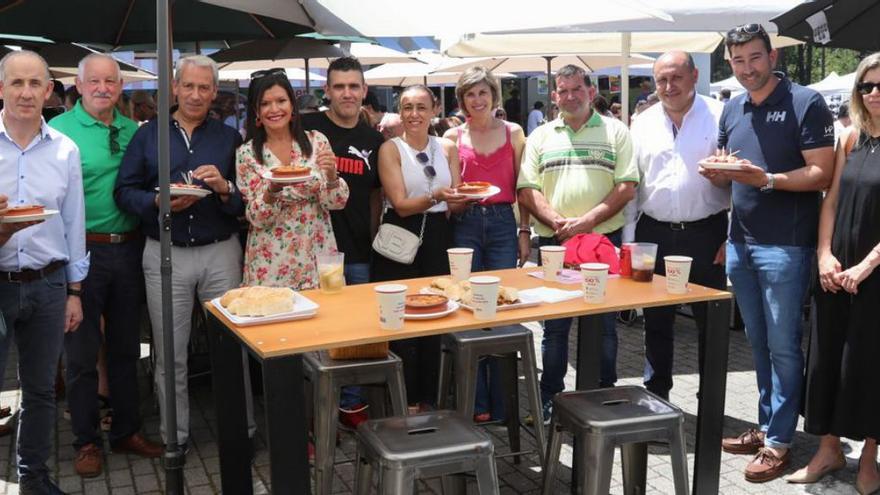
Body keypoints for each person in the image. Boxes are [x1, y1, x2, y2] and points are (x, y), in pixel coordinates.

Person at [706, 24, 835, 483]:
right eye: (738, 61)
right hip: (741, 242)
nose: (746, 69)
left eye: (754, 58)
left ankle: (780, 441)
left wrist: (766, 179)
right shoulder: (733, 106)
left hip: (787, 245)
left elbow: (821, 173)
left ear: (772, 56)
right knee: (757, 344)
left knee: (783, 347)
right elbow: (730, 174)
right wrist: (719, 172)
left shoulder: (805, 101)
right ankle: (765, 427)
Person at [115, 55, 255, 456]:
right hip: (166, 252)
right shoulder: (148, 135)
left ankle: (240, 432)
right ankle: (174, 438)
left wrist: (226, 188)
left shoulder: (229, 139)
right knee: (169, 352)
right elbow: (124, 192)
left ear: (215, 92)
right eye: (188, 86)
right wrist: (158, 200)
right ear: (174, 88)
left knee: (232, 348)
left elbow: (244, 201)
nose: (196, 95)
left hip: (221, 252)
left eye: (204, 88)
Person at [49, 53, 162, 478]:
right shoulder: (59, 132)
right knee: (79, 355)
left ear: (120, 87)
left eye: (110, 81)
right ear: (78, 86)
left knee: (126, 349)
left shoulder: (134, 130)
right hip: (80, 251)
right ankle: (86, 441)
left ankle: (127, 431)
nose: (102, 88)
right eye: (93, 81)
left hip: (129, 249)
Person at [517, 64, 638, 422]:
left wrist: (586, 221)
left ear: (590, 90)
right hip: (554, 239)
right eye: (562, 91)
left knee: (602, 324)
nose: (569, 96)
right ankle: (549, 398)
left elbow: (626, 187)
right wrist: (556, 221)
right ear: (554, 96)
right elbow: (527, 188)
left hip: (601, 238)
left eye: (576, 89)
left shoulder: (616, 131)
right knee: (555, 324)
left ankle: (603, 395)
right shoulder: (540, 135)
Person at [787, 53, 880, 495]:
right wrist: (824, 254)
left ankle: (868, 458)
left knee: (867, 363)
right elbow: (831, 202)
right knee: (825, 359)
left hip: (875, 271)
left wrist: (866, 266)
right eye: (867, 86)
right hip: (836, 267)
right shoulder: (850, 137)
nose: (875, 93)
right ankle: (828, 449)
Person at [0, 49, 88, 494]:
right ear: (1, 89)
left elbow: (74, 223)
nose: (26, 92)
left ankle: (33, 478)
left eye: (36, 84)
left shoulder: (65, 150)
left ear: (50, 92)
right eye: (17, 83)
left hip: (50, 283)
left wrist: (75, 290)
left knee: (39, 392)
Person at [628, 51, 729, 401]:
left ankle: (712, 402)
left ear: (695, 75)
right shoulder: (642, 122)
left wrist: (731, 238)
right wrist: (630, 243)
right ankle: (657, 398)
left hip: (707, 233)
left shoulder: (720, 116)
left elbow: (741, 184)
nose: (668, 87)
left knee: (710, 323)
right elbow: (633, 186)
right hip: (653, 234)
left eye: (676, 78)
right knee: (656, 323)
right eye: (661, 80)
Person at [372, 84, 468, 410]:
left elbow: (454, 203)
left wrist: (462, 199)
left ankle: (429, 398)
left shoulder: (448, 147)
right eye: (407, 107)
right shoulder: (390, 149)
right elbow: (399, 204)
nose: (414, 114)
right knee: (401, 319)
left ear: (434, 110)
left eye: (421, 107)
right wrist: (437, 196)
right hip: (401, 234)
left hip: (438, 234)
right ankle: (402, 400)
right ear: (400, 111)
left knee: (435, 316)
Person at [443, 66, 530, 422]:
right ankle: (475, 403)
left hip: (500, 223)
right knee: (467, 308)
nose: (477, 100)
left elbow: (524, 188)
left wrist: (524, 231)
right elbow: (452, 189)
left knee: (501, 310)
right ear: (461, 100)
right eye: (469, 94)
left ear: (494, 96)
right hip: (464, 222)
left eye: (482, 93)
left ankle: (503, 401)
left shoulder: (514, 132)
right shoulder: (452, 136)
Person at [301, 57, 383, 428]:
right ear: (327, 91)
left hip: (359, 248)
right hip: (315, 250)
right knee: (318, 330)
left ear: (364, 91)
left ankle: (350, 404)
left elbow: (375, 198)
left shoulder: (374, 140)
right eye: (339, 86)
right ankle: (317, 408)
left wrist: (374, 239)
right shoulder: (307, 128)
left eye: (354, 86)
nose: (347, 93)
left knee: (357, 330)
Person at [237, 68, 347, 289]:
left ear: (292, 106)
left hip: (316, 251)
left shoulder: (316, 141)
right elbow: (256, 217)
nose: (274, 109)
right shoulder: (246, 153)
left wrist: (332, 176)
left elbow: (337, 202)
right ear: (256, 111)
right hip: (270, 260)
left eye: (281, 101)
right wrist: (273, 190)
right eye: (265, 103)